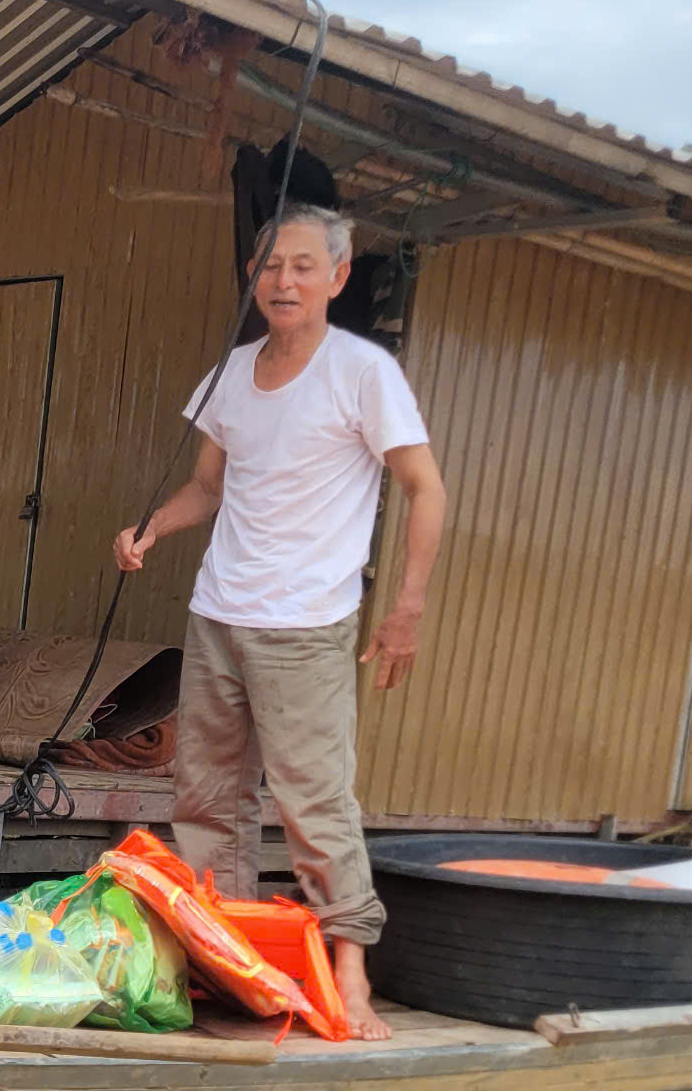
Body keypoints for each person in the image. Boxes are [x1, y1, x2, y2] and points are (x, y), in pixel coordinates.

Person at [112, 208, 446, 1041]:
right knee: (206, 800)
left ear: (338, 277)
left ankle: (352, 977)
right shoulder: (232, 372)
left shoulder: (362, 372)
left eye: (303, 267)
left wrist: (405, 609)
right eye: (270, 268)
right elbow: (210, 486)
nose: (283, 282)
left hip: (309, 624)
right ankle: (222, 961)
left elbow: (425, 489)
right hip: (219, 611)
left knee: (313, 803)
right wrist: (152, 528)